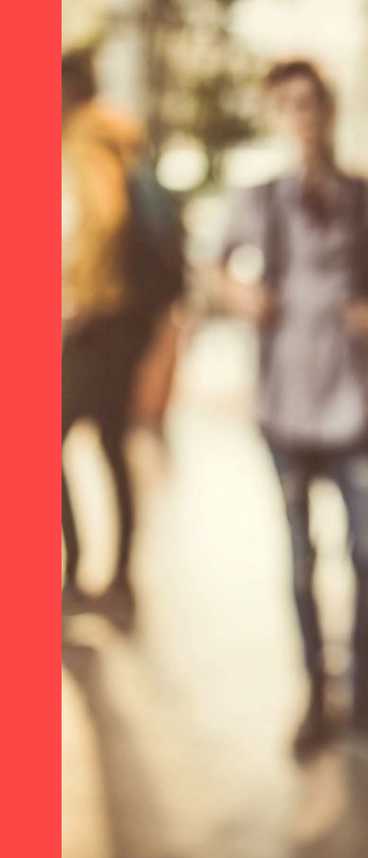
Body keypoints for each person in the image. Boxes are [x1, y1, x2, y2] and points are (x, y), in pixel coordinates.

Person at [216, 60, 368, 757]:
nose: (302, 117)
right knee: (301, 561)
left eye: (311, 103)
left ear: (330, 111)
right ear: (277, 118)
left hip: (353, 408)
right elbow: (215, 268)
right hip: (285, 409)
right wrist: (243, 297)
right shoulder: (258, 201)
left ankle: (364, 702)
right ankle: (314, 698)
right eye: (288, 106)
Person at [61, 50, 183, 612]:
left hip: (101, 317)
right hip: (128, 319)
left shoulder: (86, 138)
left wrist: (82, 300)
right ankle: (120, 575)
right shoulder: (120, 134)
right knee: (112, 441)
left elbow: (104, 221)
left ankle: (79, 569)